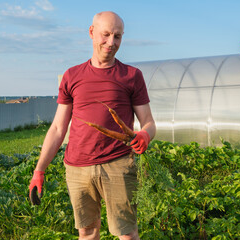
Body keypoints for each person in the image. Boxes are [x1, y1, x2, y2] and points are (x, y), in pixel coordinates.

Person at [29, 11, 156, 240]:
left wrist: (145, 135)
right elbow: (58, 128)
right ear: (91, 32)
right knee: (87, 232)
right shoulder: (72, 75)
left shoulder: (131, 75)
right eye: (105, 35)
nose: (111, 42)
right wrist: (39, 170)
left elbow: (148, 121)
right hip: (77, 167)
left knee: (127, 233)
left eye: (117, 36)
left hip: (118, 164)